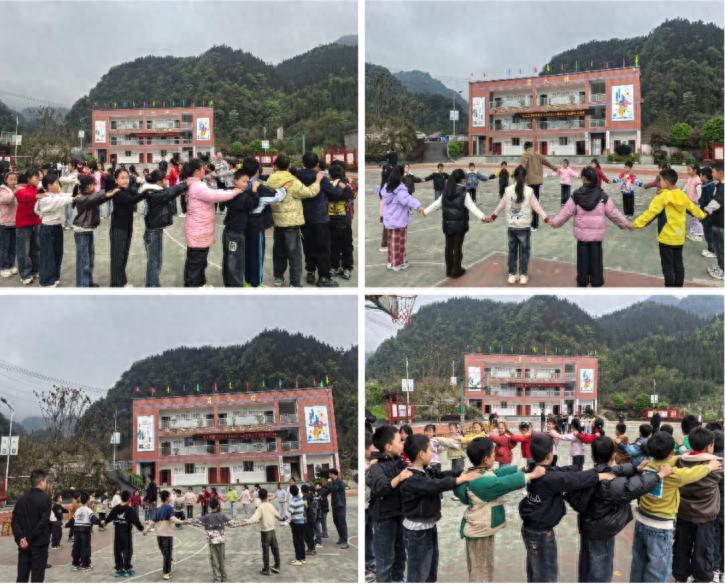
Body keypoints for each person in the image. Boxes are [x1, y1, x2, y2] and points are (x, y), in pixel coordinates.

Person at [518, 433, 614, 583]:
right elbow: (572, 480)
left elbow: (561, 472)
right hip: (541, 533)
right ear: (550, 455)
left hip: (531, 528)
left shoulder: (533, 469)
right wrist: (598, 476)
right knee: (545, 573)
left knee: (535, 568)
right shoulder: (550, 478)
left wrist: (577, 468)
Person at [630, 431, 722, 583]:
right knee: (658, 570)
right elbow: (692, 473)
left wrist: (686, 456)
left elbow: (674, 459)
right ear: (671, 452)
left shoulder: (648, 466)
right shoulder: (672, 474)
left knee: (639, 563)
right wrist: (709, 466)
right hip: (660, 527)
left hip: (642, 520)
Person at [573, 436, 667, 583]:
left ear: (592, 456)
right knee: (600, 571)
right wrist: (659, 476)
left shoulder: (592, 474)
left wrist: (636, 468)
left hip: (587, 527)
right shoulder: (610, 483)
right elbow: (634, 487)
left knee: (587, 565)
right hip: (601, 532)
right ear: (614, 456)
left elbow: (617, 469)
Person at [454, 437, 545, 582]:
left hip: (481, 529)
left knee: (483, 566)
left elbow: (496, 473)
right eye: (493, 454)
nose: (495, 457)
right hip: (479, 533)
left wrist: (520, 469)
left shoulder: (475, 472)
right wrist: (532, 475)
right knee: (481, 571)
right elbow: (504, 483)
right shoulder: (481, 483)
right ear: (485, 459)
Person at [398, 434, 480, 583]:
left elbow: (441, 475)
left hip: (428, 526)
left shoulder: (426, 470)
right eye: (431, 450)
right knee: (418, 573)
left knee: (430, 567)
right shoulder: (411, 477)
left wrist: (461, 472)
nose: (433, 453)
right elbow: (434, 485)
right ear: (421, 454)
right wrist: (461, 479)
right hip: (417, 532)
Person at [549, 166, 631, 287]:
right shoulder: (603, 196)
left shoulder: (576, 195)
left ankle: (582, 281)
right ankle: (596, 281)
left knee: (582, 261)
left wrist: (555, 223)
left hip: (582, 237)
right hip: (596, 238)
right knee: (596, 261)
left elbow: (566, 212)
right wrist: (626, 224)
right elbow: (614, 213)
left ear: (583, 178)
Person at [631, 167, 707, 287]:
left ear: (666, 181)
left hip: (666, 238)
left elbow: (650, 214)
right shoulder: (682, 195)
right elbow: (694, 209)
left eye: (660, 180)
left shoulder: (662, 197)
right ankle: (678, 287)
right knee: (678, 265)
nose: (659, 183)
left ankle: (669, 289)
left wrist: (634, 224)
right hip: (679, 237)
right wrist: (704, 216)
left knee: (667, 267)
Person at [672, 426, 724, 583]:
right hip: (705, 517)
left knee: (681, 546)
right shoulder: (717, 465)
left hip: (683, 513)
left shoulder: (680, 461)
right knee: (704, 550)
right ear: (709, 446)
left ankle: (680, 577)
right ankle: (701, 578)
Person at [181, 159, 242, 287]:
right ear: (197, 171)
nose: (205, 170)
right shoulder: (197, 186)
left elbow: (215, 193)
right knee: (196, 262)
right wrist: (235, 192)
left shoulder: (196, 183)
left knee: (198, 261)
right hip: (198, 230)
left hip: (199, 229)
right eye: (203, 168)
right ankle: (193, 288)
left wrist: (229, 191)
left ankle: (199, 284)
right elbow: (214, 196)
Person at [265, 154, 322, 287]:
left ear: (275, 165)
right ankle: (295, 282)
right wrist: (318, 181)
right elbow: (309, 192)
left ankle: (278, 278)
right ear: (289, 165)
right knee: (294, 254)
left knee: (279, 252)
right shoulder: (292, 181)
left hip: (277, 222)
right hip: (291, 223)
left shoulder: (270, 180)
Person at [488, 164, 550, 285]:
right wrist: (546, 218)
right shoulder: (529, 191)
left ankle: (512, 275)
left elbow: (501, 205)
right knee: (524, 252)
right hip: (524, 226)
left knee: (512, 251)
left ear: (514, 177)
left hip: (512, 226)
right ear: (525, 177)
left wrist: (493, 216)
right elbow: (537, 207)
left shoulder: (508, 190)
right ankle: (523, 275)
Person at [366, 425, 412, 582]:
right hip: (384, 519)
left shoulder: (399, 462)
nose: (402, 444)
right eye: (399, 441)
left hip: (399, 515)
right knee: (385, 559)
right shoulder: (376, 466)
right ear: (388, 447)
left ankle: (398, 579)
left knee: (400, 554)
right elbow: (381, 487)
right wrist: (399, 478)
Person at [422, 169, 487, 279]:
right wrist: (483, 217)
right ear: (462, 180)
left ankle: (449, 270)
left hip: (448, 225)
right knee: (457, 248)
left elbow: (436, 204)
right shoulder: (464, 193)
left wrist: (425, 211)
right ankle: (456, 271)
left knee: (448, 247)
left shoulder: (446, 191)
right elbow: (473, 208)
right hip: (459, 226)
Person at [138, 169, 189, 287]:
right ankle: (152, 287)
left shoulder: (155, 190)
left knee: (156, 260)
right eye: (165, 179)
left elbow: (171, 191)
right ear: (159, 182)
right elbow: (171, 192)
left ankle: (152, 285)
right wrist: (187, 183)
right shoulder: (154, 193)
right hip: (153, 232)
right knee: (154, 261)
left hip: (154, 230)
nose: (167, 181)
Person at [220, 169, 265, 287]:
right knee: (235, 261)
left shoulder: (231, 192)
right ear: (235, 181)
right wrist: (254, 190)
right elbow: (253, 203)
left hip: (230, 232)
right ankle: (235, 287)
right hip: (235, 234)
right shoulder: (241, 197)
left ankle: (230, 284)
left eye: (247, 181)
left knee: (230, 258)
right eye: (244, 181)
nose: (246, 184)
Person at [295, 153, 335, 287]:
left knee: (308, 246)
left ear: (303, 163)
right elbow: (334, 194)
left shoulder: (297, 176)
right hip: (320, 218)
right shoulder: (321, 178)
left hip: (304, 217)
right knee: (323, 248)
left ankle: (310, 271)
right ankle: (323, 276)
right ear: (317, 164)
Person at [12, 469, 52, 582]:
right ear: (41, 482)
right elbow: (42, 523)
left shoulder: (21, 499)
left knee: (22, 577)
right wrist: (28, 539)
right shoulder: (45, 499)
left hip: (24, 546)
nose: (46, 484)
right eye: (46, 481)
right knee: (37, 577)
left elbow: (14, 521)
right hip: (39, 545)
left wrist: (21, 538)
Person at [380, 165, 422, 272]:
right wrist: (418, 206)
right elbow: (408, 199)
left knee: (391, 243)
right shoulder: (400, 189)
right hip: (399, 220)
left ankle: (392, 262)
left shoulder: (387, 187)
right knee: (399, 243)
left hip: (390, 220)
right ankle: (397, 264)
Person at [143, 490, 187, 581]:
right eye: (170, 496)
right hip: (167, 535)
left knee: (165, 553)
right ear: (167, 498)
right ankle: (166, 572)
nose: (171, 497)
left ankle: (169, 563)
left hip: (159, 535)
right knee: (167, 554)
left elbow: (152, 522)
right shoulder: (169, 507)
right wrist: (182, 521)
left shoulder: (158, 508)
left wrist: (146, 530)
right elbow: (173, 519)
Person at [241, 488, 283, 576]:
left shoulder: (260, 507)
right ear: (267, 495)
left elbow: (255, 518)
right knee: (275, 549)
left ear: (259, 497)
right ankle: (277, 566)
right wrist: (282, 519)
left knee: (266, 551)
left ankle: (266, 569)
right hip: (272, 530)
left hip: (265, 532)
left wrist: (247, 522)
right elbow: (278, 515)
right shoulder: (270, 505)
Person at [103, 490, 144, 577]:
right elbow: (136, 521)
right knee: (127, 551)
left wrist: (104, 523)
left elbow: (109, 518)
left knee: (117, 551)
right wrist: (142, 529)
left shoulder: (116, 508)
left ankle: (119, 569)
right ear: (129, 499)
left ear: (121, 498)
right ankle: (126, 569)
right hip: (126, 534)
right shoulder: (130, 510)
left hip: (117, 534)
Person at [327, 162, 355, 281]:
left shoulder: (345, 184)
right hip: (336, 220)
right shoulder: (330, 185)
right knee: (336, 245)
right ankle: (336, 266)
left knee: (344, 245)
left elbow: (351, 194)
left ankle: (345, 267)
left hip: (342, 220)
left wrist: (341, 184)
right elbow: (350, 194)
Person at [14, 168, 42, 285]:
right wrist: (38, 196)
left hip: (36, 222)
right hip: (23, 224)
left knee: (36, 248)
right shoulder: (21, 190)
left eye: (39, 177)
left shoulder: (38, 190)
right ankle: (25, 274)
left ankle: (36, 270)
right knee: (23, 250)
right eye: (36, 177)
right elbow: (23, 196)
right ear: (29, 179)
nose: (39, 179)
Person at [519, 142, 557, 230]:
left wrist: (519, 177)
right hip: (538, 181)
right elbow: (547, 162)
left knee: (532, 203)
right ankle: (535, 224)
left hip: (530, 182)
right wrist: (555, 168)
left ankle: (534, 225)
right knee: (535, 202)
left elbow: (522, 166)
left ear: (525, 147)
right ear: (532, 146)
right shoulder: (538, 154)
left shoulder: (526, 154)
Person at [199, 497, 233, 582]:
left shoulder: (206, 517)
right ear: (218, 505)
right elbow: (232, 523)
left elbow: (196, 522)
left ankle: (217, 578)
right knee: (221, 559)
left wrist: (185, 521)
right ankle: (224, 577)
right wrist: (245, 522)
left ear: (209, 506)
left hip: (212, 542)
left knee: (214, 561)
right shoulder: (222, 515)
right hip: (221, 541)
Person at [704, 160, 724, 279]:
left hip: (720, 223)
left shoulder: (723, 188)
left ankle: (723, 270)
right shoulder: (719, 184)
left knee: (721, 247)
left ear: (720, 173)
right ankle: (721, 266)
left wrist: (704, 212)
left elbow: (715, 203)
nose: (712, 173)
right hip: (717, 221)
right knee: (718, 247)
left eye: (713, 171)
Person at [71, 491, 100, 571]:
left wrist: (65, 525)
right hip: (85, 531)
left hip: (76, 531)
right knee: (85, 547)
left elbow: (72, 520)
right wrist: (101, 522)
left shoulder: (78, 510)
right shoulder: (88, 510)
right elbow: (94, 520)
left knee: (76, 547)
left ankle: (76, 564)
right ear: (87, 500)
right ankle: (85, 565)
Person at [322, 468, 348, 549]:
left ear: (333, 474)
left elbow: (334, 489)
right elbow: (328, 491)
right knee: (336, 521)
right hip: (335, 505)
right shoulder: (333, 482)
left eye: (330, 474)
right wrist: (321, 495)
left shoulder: (339, 482)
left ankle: (345, 541)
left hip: (340, 505)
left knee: (342, 523)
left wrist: (330, 483)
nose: (329, 476)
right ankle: (341, 537)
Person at [0, 170, 18, 278]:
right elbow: (8, 199)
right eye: (11, 179)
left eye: (15, 179)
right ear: (6, 180)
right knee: (4, 247)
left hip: (15, 223)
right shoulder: (2, 190)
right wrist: (13, 191)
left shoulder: (15, 189)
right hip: (4, 224)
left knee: (12, 247)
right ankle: (4, 267)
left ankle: (11, 265)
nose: (13, 181)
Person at [699, 167, 717, 260]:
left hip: (708, 215)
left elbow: (710, 202)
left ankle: (713, 251)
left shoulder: (709, 187)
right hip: (707, 213)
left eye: (700, 175)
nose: (700, 177)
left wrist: (705, 213)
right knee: (708, 232)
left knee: (709, 233)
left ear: (704, 176)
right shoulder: (707, 185)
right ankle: (712, 249)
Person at [288, 485, 307, 566]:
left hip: (295, 523)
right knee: (301, 540)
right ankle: (303, 558)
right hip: (302, 522)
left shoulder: (293, 501)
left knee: (296, 541)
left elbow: (290, 512)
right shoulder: (300, 499)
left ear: (291, 492)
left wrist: (282, 518)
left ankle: (298, 559)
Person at [685, 162, 704, 242]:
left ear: (695, 170)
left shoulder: (697, 180)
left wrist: (698, 200)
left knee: (696, 219)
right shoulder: (690, 178)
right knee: (693, 219)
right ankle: (693, 233)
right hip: (690, 203)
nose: (687, 171)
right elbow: (686, 187)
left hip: (695, 203)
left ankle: (699, 235)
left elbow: (699, 192)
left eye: (689, 169)